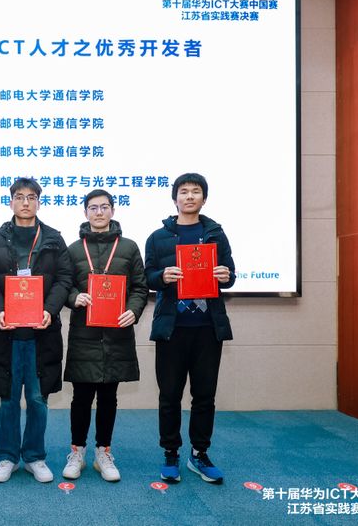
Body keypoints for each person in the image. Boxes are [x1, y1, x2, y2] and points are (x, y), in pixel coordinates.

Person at [144, 173, 236, 485]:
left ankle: (199, 453)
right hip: (172, 328)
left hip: (208, 328)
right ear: (175, 199)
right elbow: (147, 276)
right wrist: (161, 277)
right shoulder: (158, 237)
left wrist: (225, 275)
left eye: (196, 192)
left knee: (204, 395)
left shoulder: (216, 234)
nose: (189, 196)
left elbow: (231, 274)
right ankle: (170, 453)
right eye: (183, 192)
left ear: (204, 199)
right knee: (169, 394)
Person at [0, 177, 73, 483]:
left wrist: (49, 309)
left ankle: (34, 456)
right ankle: (7, 457)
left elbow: (64, 279)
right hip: (6, 333)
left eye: (31, 197)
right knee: (8, 399)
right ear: (11, 202)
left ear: (38, 202)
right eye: (19, 197)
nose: (25, 202)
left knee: (37, 399)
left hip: (41, 334)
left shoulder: (54, 239)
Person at [61, 189, 148, 482]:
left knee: (109, 396)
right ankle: (77, 452)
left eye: (104, 207)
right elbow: (64, 285)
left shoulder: (129, 247)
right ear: (85, 212)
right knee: (81, 397)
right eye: (93, 208)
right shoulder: (73, 249)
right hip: (84, 333)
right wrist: (74, 297)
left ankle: (103, 452)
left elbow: (140, 287)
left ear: (113, 210)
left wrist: (133, 310)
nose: (99, 212)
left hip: (116, 334)